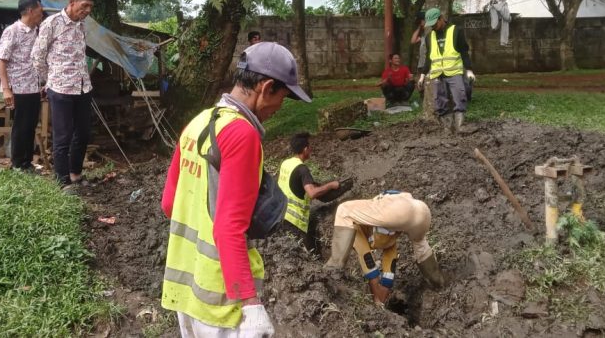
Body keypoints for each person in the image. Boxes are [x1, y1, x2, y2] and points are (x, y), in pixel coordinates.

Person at [161, 41, 311, 337]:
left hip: (187, 292)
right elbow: (228, 227)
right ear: (267, 88)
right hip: (222, 302)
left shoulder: (198, 123)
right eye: (283, 97)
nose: (279, 108)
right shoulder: (242, 134)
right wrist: (251, 304)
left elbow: (169, 203)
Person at [324, 191, 444, 304]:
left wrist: (375, 289)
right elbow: (389, 262)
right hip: (422, 212)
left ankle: (332, 271)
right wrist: (381, 296)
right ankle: (440, 284)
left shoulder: (359, 225)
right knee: (420, 245)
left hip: (398, 209)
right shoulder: (386, 231)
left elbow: (366, 257)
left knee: (343, 211)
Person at [31, 0, 94, 189]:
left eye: (90, 7)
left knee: (83, 133)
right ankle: (62, 180)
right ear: (72, 2)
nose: (87, 10)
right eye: (84, 5)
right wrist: (50, 80)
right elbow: (37, 57)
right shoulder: (52, 23)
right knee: (63, 135)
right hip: (60, 89)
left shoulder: (82, 25)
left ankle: (75, 174)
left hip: (83, 87)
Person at [277, 132, 351, 255]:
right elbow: (312, 193)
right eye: (309, 147)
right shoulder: (302, 169)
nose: (311, 150)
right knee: (306, 255)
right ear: (305, 149)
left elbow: (292, 184)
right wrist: (331, 185)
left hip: (280, 215)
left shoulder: (286, 163)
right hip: (295, 221)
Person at [0, 0, 46, 171]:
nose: (42, 13)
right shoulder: (12, 31)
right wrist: (6, 89)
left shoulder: (37, 31)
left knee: (31, 125)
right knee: (21, 125)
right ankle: (17, 164)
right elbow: (2, 60)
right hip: (18, 87)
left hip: (34, 86)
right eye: (40, 10)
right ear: (31, 11)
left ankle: (27, 162)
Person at [417, 8, 475, 133]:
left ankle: (460, 126)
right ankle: (447, 128)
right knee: (440, 101)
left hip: (454, 72)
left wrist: (469, 70)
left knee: (459, 97)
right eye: (431, 25)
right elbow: (428, 58)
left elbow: (464, 52)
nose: (433, 27)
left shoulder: (456, 31)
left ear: (441, 18)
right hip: (437, 74)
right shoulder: (429, 37)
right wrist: (422, 75)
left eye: (435, 23)